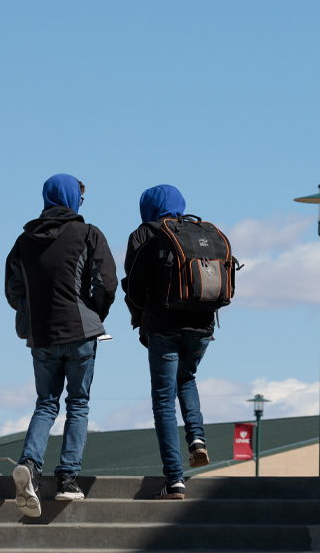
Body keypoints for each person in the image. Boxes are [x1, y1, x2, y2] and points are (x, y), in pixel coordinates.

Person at [4, 174, 117, 517]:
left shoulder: (24, 240)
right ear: (72, 199)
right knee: (78, 403)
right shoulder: (87, 234)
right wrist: (95, 311)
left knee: (46, 403)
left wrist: (32, 311)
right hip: (81, 332)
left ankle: (29, 464)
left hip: (42, 336)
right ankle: (67, 479)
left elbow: (13, 290)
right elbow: (108, 282)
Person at [122, 184, 214, 500]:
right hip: (201, 326)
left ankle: (175, 479)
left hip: (162, 327)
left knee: (163, 400)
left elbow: (133, 287)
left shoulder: (143, 234)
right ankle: (198, 441)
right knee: (186, 380)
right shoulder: (196, 233)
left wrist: (141, 320)